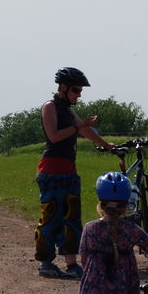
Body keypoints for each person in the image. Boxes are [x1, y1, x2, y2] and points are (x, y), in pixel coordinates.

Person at [35, 67, 113, 279]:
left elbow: (84, 130)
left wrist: (106, 145)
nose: (79, 94)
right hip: (51, 170)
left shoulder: (68, 110)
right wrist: (78, 126)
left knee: (72, 219)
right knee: (52, 217)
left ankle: (71, 265)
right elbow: (54, 136)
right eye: (76, 90)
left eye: (80, 91)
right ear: (63, 87)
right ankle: (46, 263)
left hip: (69, 170)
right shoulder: (49, 107)